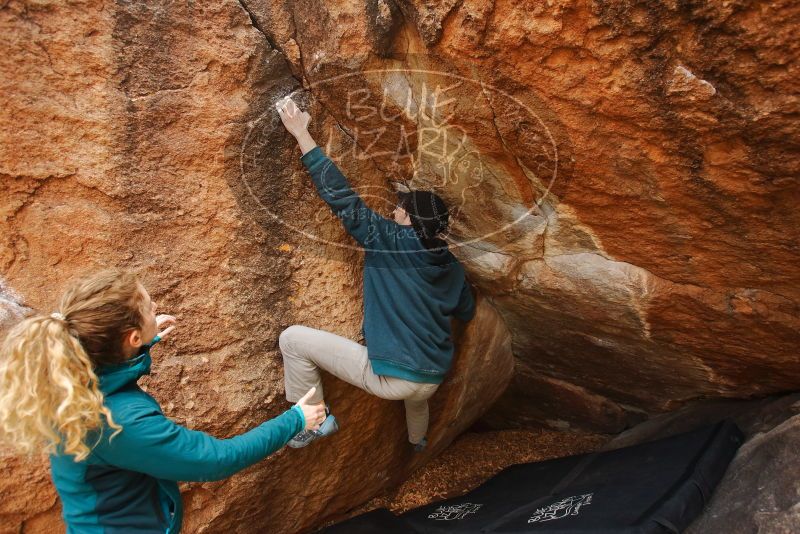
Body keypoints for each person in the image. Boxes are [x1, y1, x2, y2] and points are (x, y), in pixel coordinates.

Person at [0, 269, 325, 533]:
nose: (155, 308)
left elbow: (111, 373)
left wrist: (144, 342)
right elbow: (216, 459)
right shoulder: (119, 424)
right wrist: (295, 420)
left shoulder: (72, 378)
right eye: (149, 308)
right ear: (130, 337)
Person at [275, 96, 475, 451]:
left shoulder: (387, 239)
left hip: (393, 376)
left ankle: (315, 421)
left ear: (408, 218)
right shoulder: (452, 265)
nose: (394, 210)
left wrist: (301, 134)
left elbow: (342, 197)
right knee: (417, 399)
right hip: (433, 376)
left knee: (292, 339)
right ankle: (419, 441)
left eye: (400, 208)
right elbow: (466, 311)